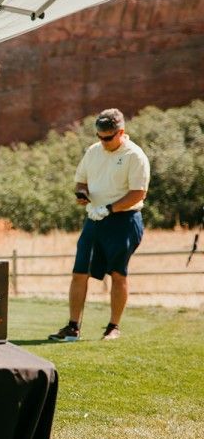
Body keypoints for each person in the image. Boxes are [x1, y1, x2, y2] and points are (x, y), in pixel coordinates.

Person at [49, 108, 150, 342]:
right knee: (79, 272)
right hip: (94, 219)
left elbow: (138, 193)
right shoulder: (93, 151)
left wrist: (110, 209)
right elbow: (80, 180)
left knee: (117, 274)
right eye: (99, 137)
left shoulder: (135, 156)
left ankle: (113, 327)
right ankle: (73, 327)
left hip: (123, 221)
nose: (102, 142)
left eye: (108, 137)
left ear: (121, 132)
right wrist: (82, 193)